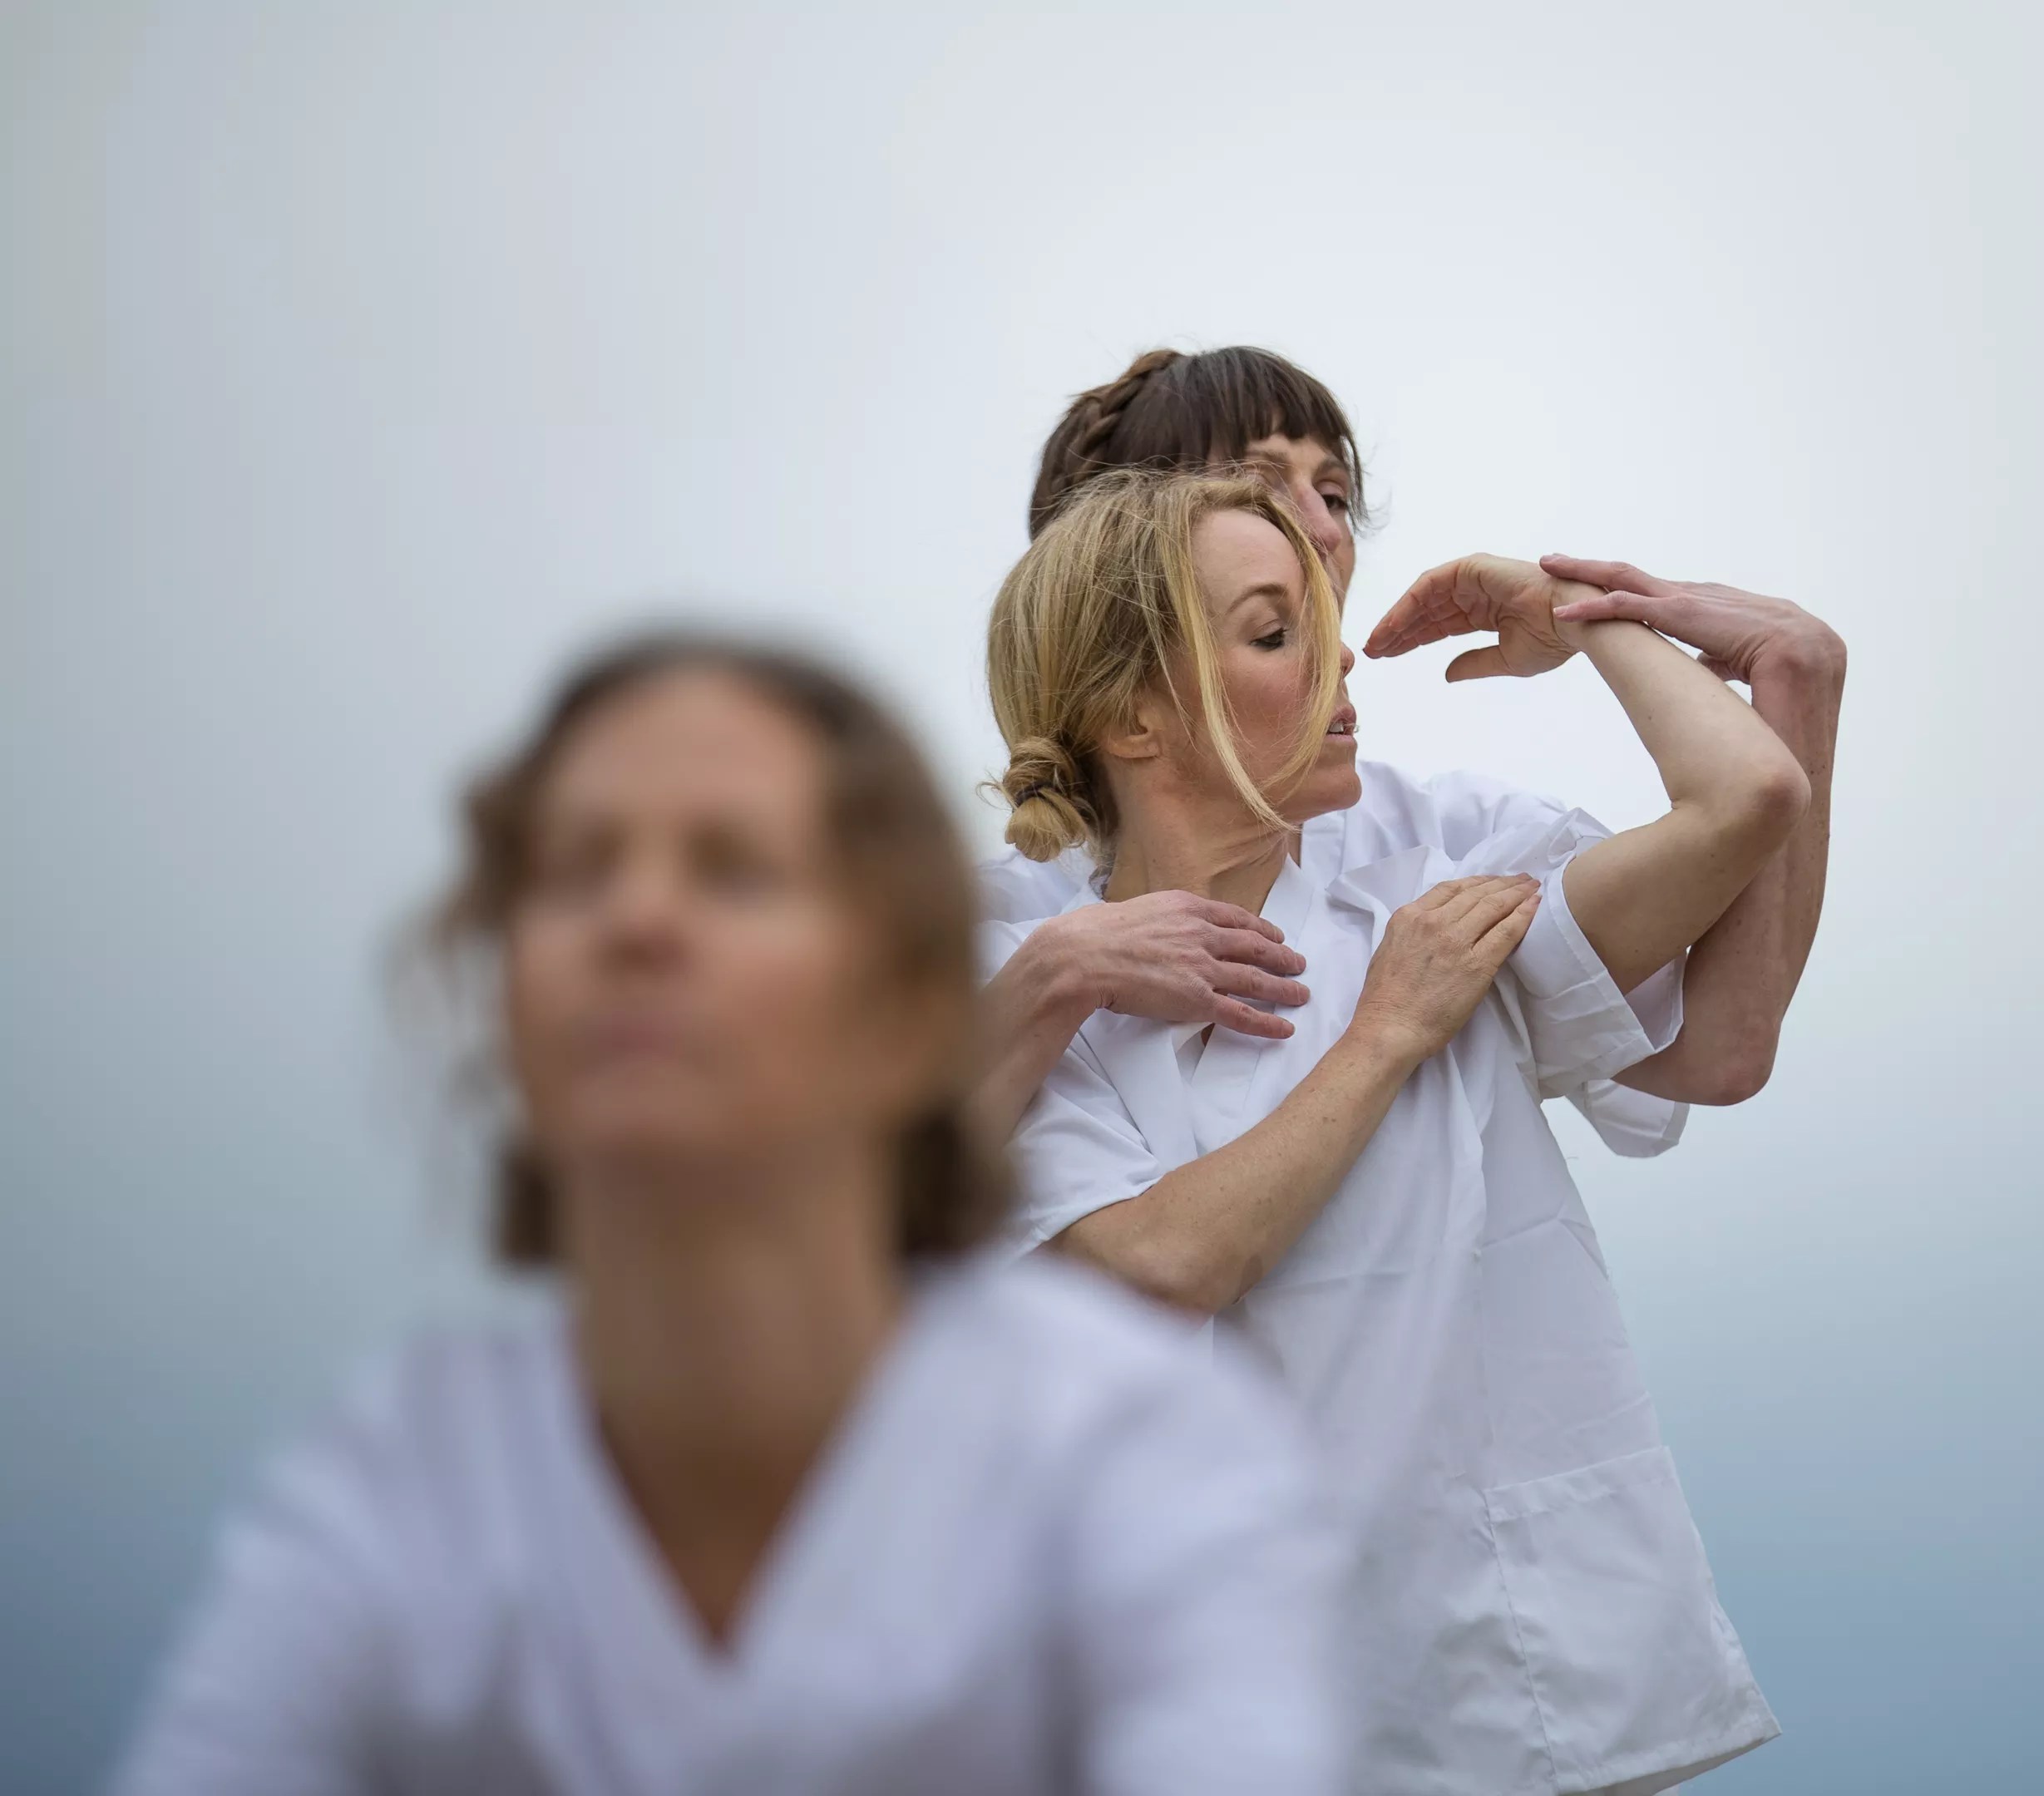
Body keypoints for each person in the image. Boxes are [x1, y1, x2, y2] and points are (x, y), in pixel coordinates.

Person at [113, 632, 1345, 1796]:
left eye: (733, 870)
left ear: (910, 1008)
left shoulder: (1137, 1458)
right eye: (573, 871)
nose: (635, 921)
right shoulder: (404, 1478)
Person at [982, 469, 1795, 1794]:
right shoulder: (1026, 991)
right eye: (1275, 632)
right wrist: (1385, 1035)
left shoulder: (1447, 899)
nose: (1342, 658)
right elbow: (1152, 1267)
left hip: (1523, 1698)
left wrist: (1578, 612)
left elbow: (1747, 793)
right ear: (1133, 715)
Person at [973, 344, 1848, 1154]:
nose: (1323, 529)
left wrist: (1794, 681)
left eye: (1336, 494)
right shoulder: (999, 927)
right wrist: (1048, 980)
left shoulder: (1459, 847)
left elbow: (1717, 1050)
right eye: (1259, 486)